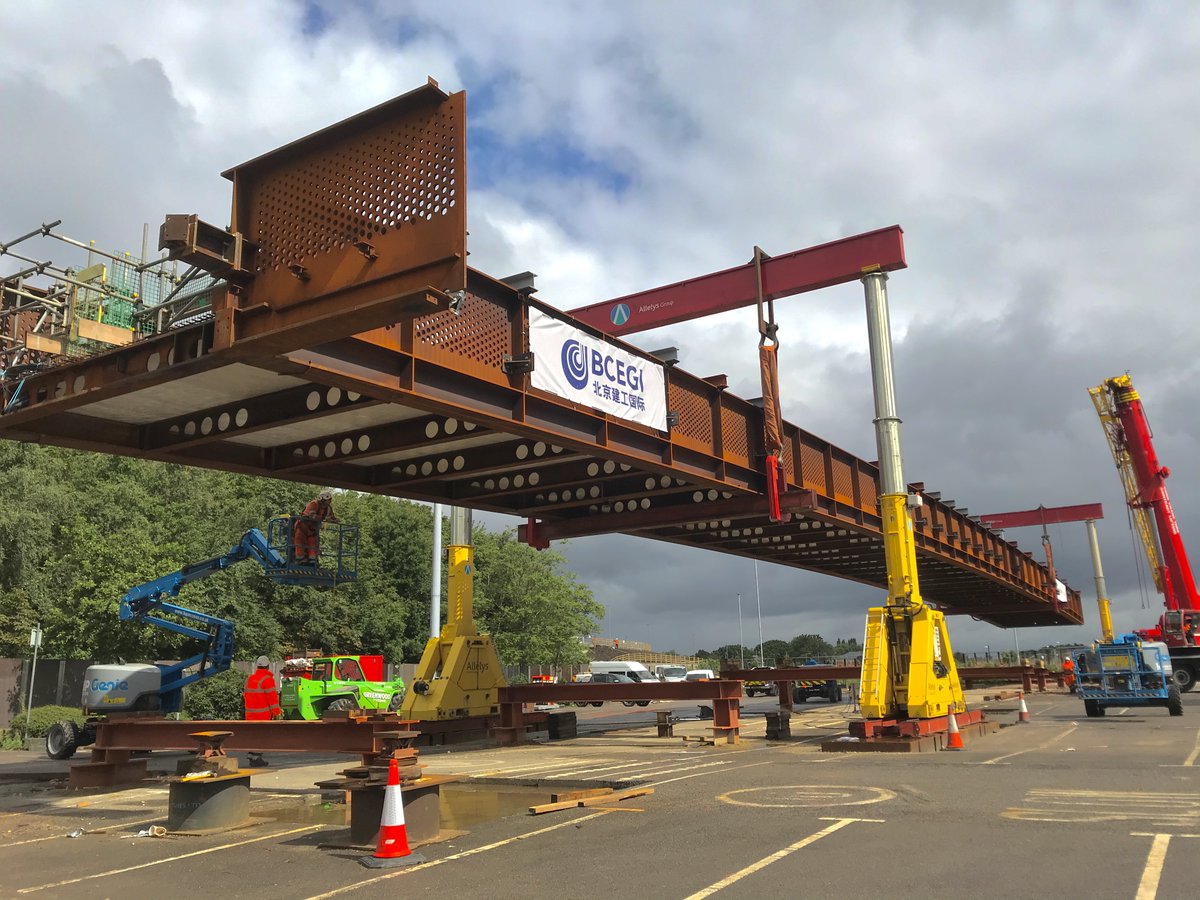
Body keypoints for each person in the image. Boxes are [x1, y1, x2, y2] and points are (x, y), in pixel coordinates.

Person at [244, 656, 282, 767]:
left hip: (250, 714)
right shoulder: (267, 680)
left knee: (253, 735)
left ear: (257, 666)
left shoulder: (250, 679)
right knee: (261, 736)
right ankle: (256, 756)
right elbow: (272, 699)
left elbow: (245, 696)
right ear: (268, 666)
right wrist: (276, 712)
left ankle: (252, 755)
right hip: (262, 715)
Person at [293, 490, 339, 564]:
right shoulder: (314, 504)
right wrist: (324, 518)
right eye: (328, 500)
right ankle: (300, 559)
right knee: (300, 541)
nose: (330, 501)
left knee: (313, 543)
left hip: (313, 528)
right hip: (303, 526)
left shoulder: (328, 508)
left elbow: (331, 517)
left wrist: (335, 520)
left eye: (330, 500)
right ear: (322, 499)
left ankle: (312, 561)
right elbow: (311, 516)